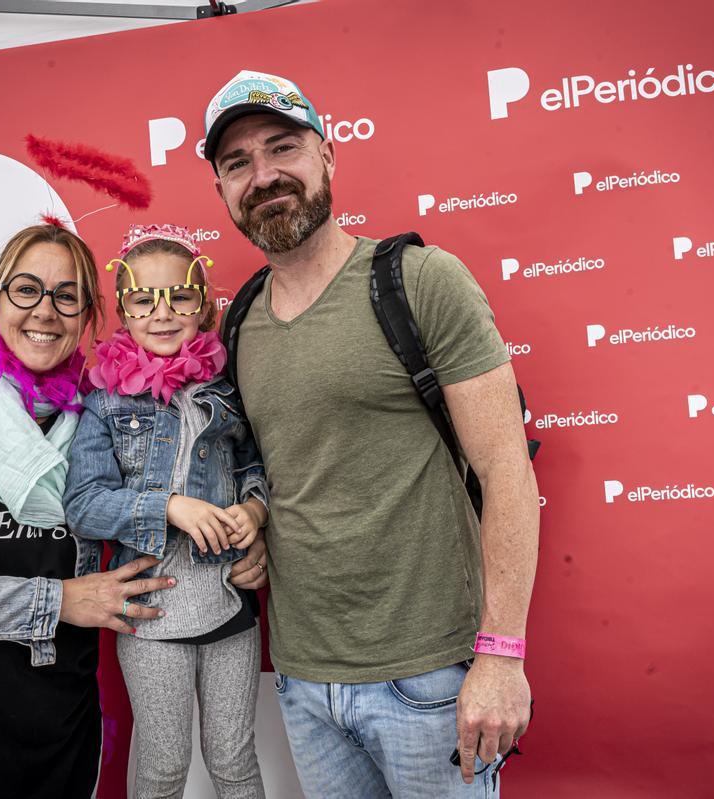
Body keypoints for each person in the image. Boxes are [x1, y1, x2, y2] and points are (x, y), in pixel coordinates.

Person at [201, 70, 540, 797]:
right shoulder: (241, 322)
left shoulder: (419, 280)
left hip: (432, 676)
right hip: (303, 676)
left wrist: (502, 655)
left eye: (283, 147)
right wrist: (256, 522)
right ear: (223, 193)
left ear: (328, 157)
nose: (264, 175)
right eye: (238, 163)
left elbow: (508, 468)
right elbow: (283, 468)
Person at [0, 222, 268, 798]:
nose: (46, 310)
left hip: (58, 740)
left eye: (66, 295)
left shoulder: (86, 423)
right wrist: (59, 600)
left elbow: (225, 472)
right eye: (27, 290)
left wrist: (253, 525)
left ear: (86, 318)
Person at [64, 223, 269, 799]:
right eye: (143, 299)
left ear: (202, 307)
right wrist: (169, 506)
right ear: (123, 311)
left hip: (229, 603)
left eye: (179, 296)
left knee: (233, 758)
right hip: (151, 616)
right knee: (163, 764)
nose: (162, 312)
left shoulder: (226, 390)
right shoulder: (104, 400)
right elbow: (83, 504)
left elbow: (259, 470)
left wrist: (255, 515)